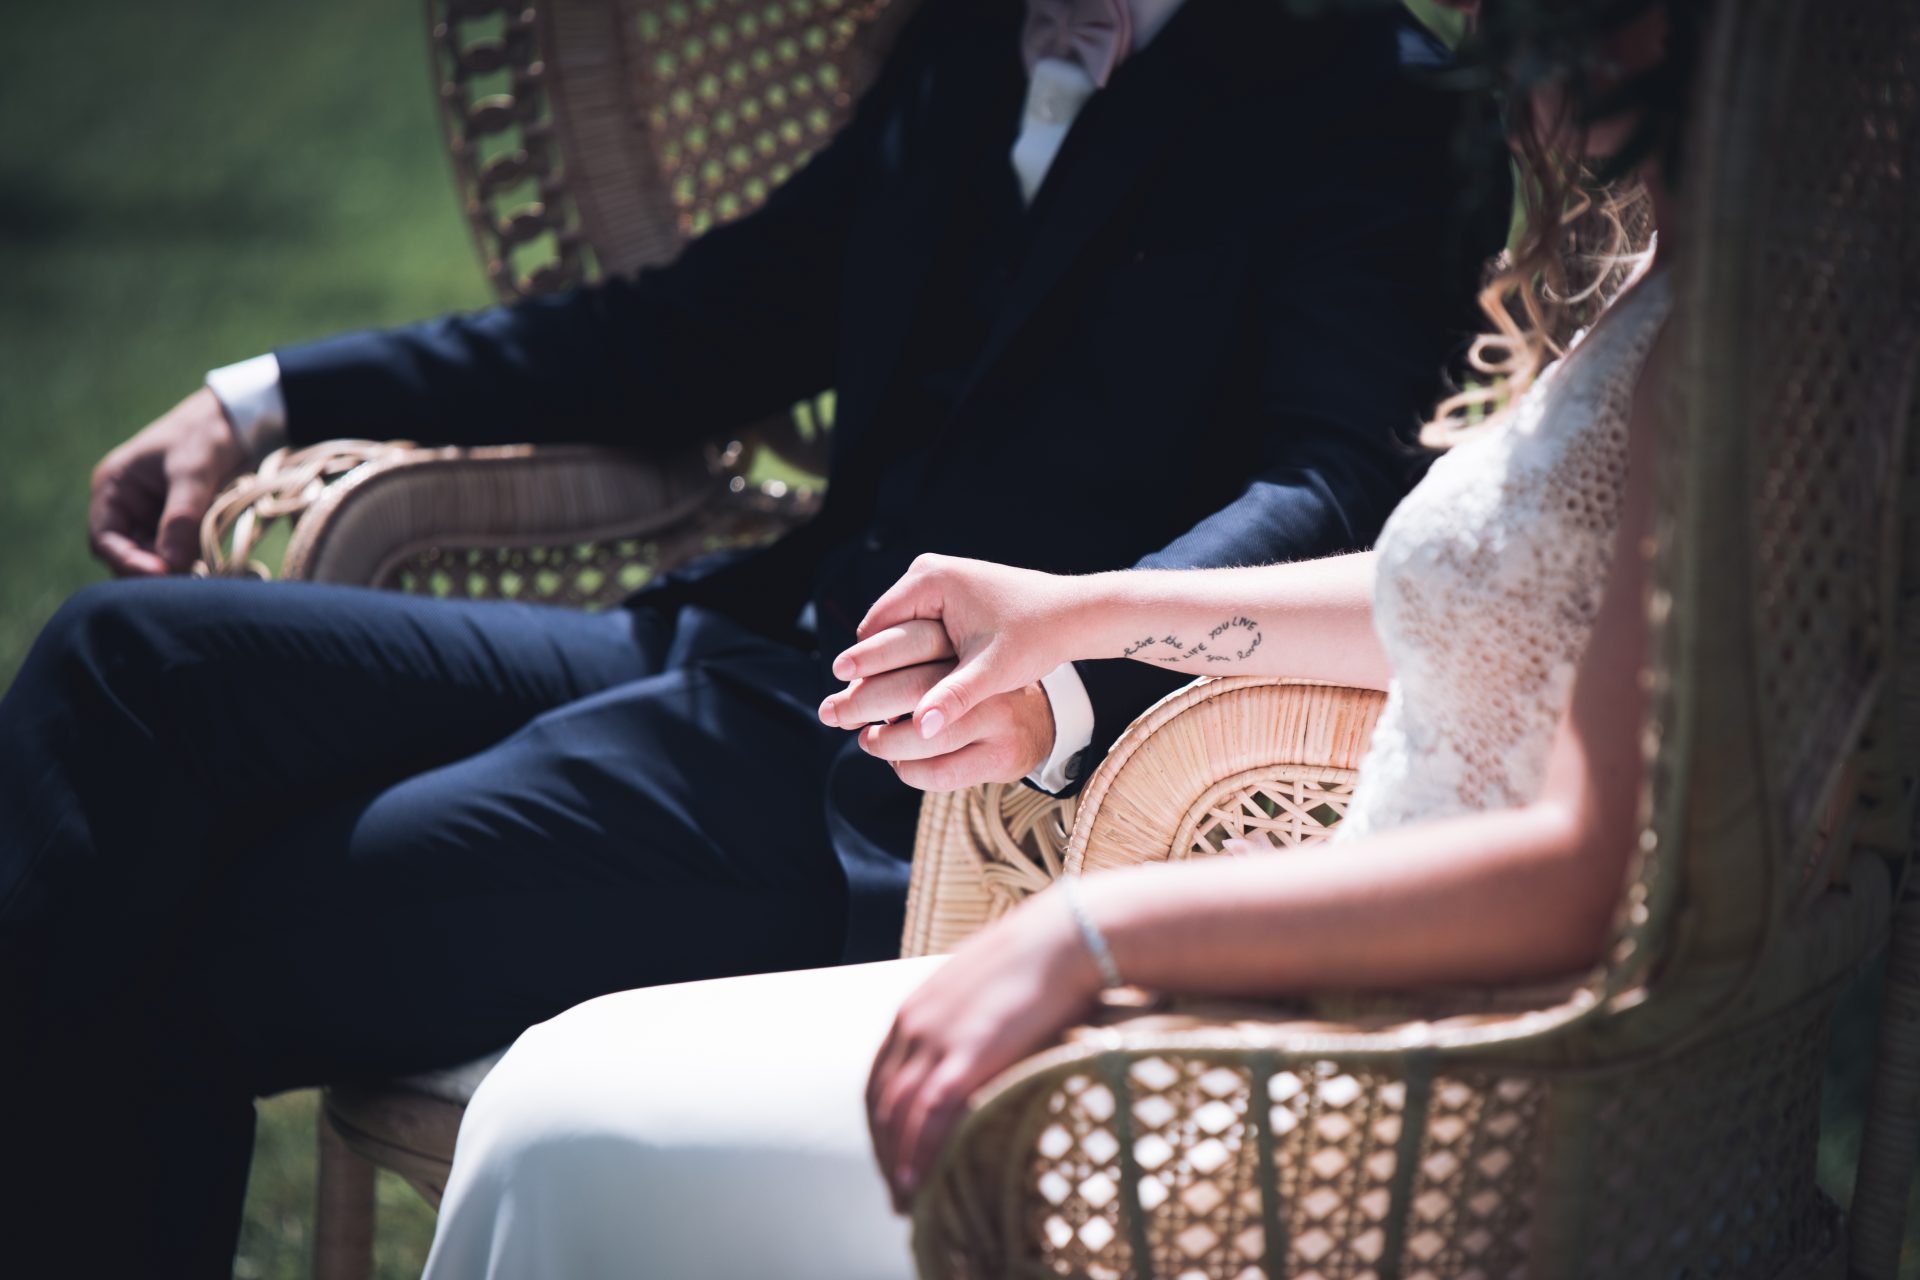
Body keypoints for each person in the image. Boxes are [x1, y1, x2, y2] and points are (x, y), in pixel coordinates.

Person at [0, 0, 1501, 1273]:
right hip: (731, 641)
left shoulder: (1364, 90)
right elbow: (696, 329)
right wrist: (262, 397)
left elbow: (1334, 482)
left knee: (166, 940)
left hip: (916, 771)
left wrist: (1070, 659)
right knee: (131, 662)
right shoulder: (974, 36)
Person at [417, 0, 1696, 1276]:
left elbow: (1586, 872)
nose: (1501, 37)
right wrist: (1080, 619)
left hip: (1415, 1080)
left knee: (558, 1123)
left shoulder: (1710, 355)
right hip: (1336, 969)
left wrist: (1098, 931)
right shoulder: (1692, 297)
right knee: (559, 1098)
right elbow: (1488, 597)